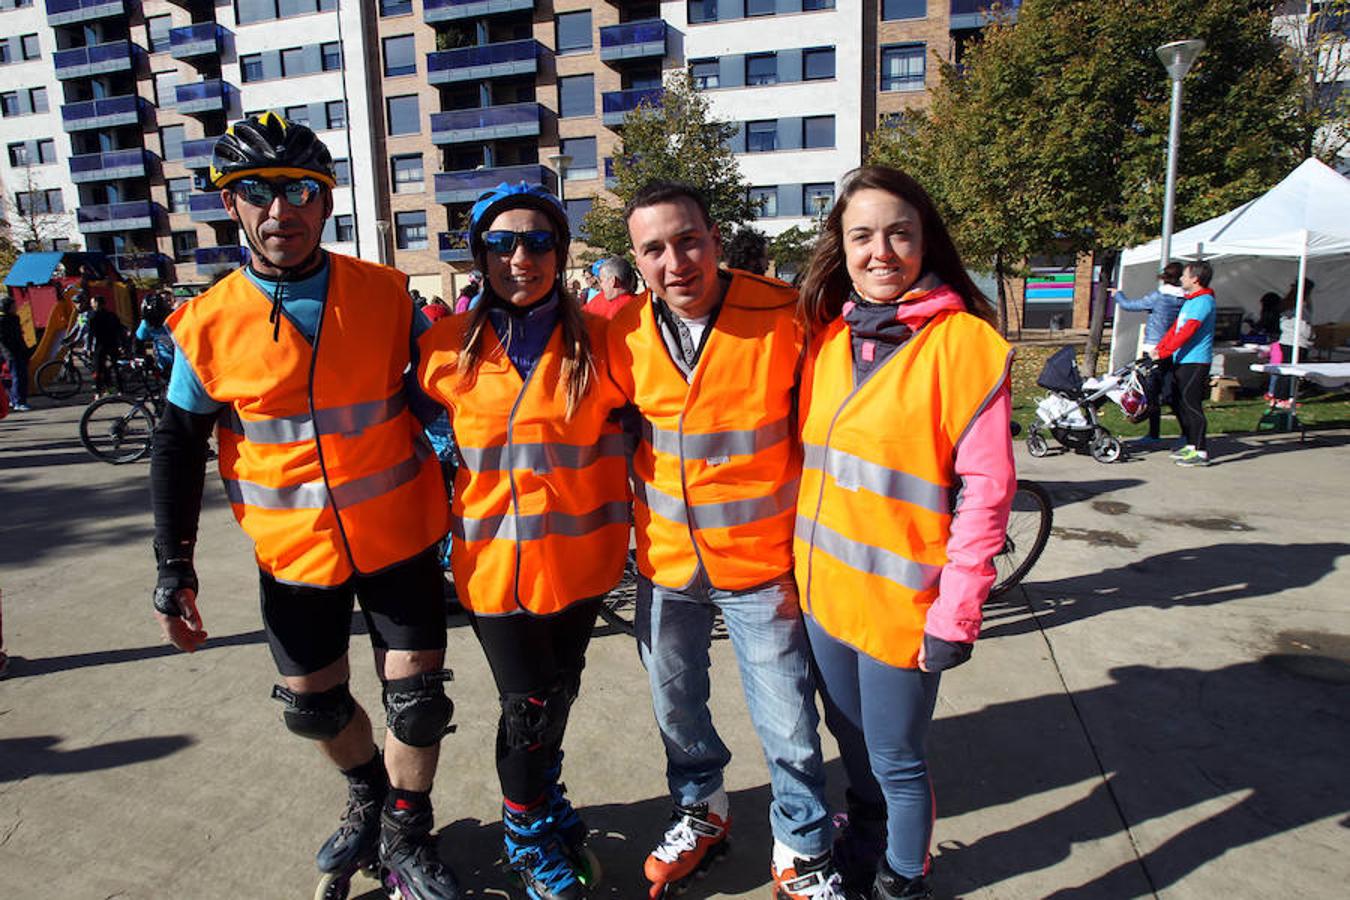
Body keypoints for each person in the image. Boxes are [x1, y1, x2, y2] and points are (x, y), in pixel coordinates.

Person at [149, 112, 463, 900]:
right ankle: (367, 792)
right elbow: (177, 449)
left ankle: (407, 830)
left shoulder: (388, 295)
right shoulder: (206, 324)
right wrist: (172, 568)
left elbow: (448, 398)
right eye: (255, 191)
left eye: (299, 191)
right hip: (292, 556)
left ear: (324, 204)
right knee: (314, 711)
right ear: (231, 205)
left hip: (399, 538)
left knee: (419, 705)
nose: (278, 209)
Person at [606, 182, 845, 899]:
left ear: (713, 237)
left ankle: (803, 847)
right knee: (675, 709)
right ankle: (701, 809)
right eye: (654, 249)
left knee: (790, 724)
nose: (675, 261)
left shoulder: (785, 315)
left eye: (687, 240)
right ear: (637, 260)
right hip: (667, 565)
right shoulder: (621, 334)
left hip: (761, 565)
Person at [794, 166, 1016, 900]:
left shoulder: (966, 347)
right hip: (827, 593)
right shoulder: (828, 340)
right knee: (851, 744)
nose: (880, 250)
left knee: (896, 756)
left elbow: (988, 492)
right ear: (842, 246)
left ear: (926, 242)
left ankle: (903, 879)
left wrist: (960, 610)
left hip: (904, 604)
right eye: (862, 235)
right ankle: (866, 837)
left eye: (899, 232)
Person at [418, 182, 629, 900]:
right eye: (503, 244)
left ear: (560, 253)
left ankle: (545, 794)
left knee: (560, 695)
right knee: (527, 705)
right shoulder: (443, 349)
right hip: (492, 569)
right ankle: (525, 832)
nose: (520, 257)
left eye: (537, 242)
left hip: (580, 563)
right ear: (480, 256)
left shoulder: (605, 342)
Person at [1112, 262, 1185, 447]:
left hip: (1153, 348)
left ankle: (1153, 433)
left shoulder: (1159, 296)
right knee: (1171, 393)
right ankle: (1186, 432)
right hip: (1174, 348)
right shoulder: (1185, 299)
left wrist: (1117, 295)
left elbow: (1131, 305)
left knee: (1152, 392)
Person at [1154, 260, 1218, 467]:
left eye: (1185, 275)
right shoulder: (1191, 301)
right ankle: (1191, 444)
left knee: (1192, 404)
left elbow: (1188, 330)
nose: (1181, 278)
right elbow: (1175, 329)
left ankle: (1200, 450)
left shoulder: (1204, 301)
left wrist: (1165, 351)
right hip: (1182, 359)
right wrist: (1161, 349)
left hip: (1196, 360)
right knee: (1179, 402)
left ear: (1195, 279)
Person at [1270, 279, 1314, 407]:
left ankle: (1285, 396)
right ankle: (1280, 397)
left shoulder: (1303, 302)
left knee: (1293, 371)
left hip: (1300, 341)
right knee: (1288, 370)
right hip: (1292, 341)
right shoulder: (1292, 302)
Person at [0, 295, 34, 411]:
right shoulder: (2, 321)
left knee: (20, 376)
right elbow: (4, 339)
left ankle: (14, 399)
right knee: (18, 377)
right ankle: (18, 402)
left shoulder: (14, 318)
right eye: (13, 306)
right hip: (10, 353)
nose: (16, 307)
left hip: (20, 351)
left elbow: (19, 336)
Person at [89, 294, 126, 397]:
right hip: (113, 343)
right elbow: (120, 330)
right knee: (115, 367)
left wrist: (89, 347)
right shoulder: (112, 315)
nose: (91, 305)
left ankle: (98, 392)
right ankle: (120, 390)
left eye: (92, 303)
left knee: (97, 369)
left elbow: (91, 333)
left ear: (96, 304)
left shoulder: (93, 316)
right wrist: (122, 344)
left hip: (100, 345)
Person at [135, 291, 176, 377]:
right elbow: (138, 341)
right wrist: (141, 357)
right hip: (164, 363)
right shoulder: (146, 323)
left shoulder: (175, 316)